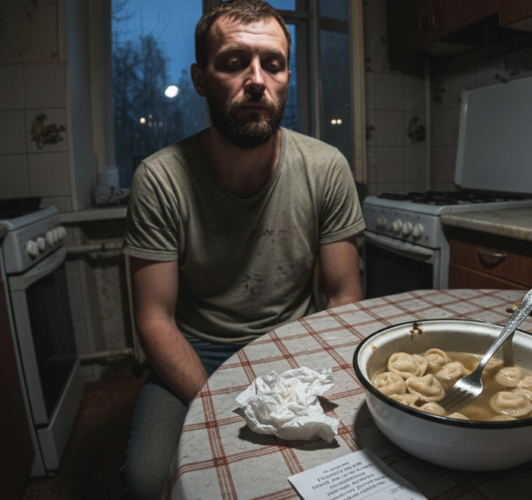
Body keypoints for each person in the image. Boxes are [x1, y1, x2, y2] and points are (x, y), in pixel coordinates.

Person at [119, 1, 365, 498]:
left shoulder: (326, 167)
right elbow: (154, 321)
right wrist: (222, 403)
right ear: (200, 79)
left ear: (287, 77)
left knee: (344, 461)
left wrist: (317, 380)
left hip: (294, 344)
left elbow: (343, 296)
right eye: (234, 63)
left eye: (272, 64)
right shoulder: (159, 179)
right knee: (148, 481)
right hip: (195, 351)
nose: (257, 80)